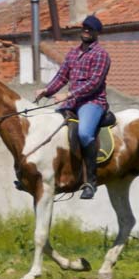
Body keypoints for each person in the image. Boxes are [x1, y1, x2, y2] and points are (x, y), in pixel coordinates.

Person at [40, 14, 111, 198]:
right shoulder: (72, 53)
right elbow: (62, 76)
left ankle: (90, 182)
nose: (86, 31)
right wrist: (46, 90)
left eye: (91, 29)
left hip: (92, 102)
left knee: (84, 133)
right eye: (85, 28)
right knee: (51, 128)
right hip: (72, 103)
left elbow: (94, 83)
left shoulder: (101, 55)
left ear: (96, 33)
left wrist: (69, 94)